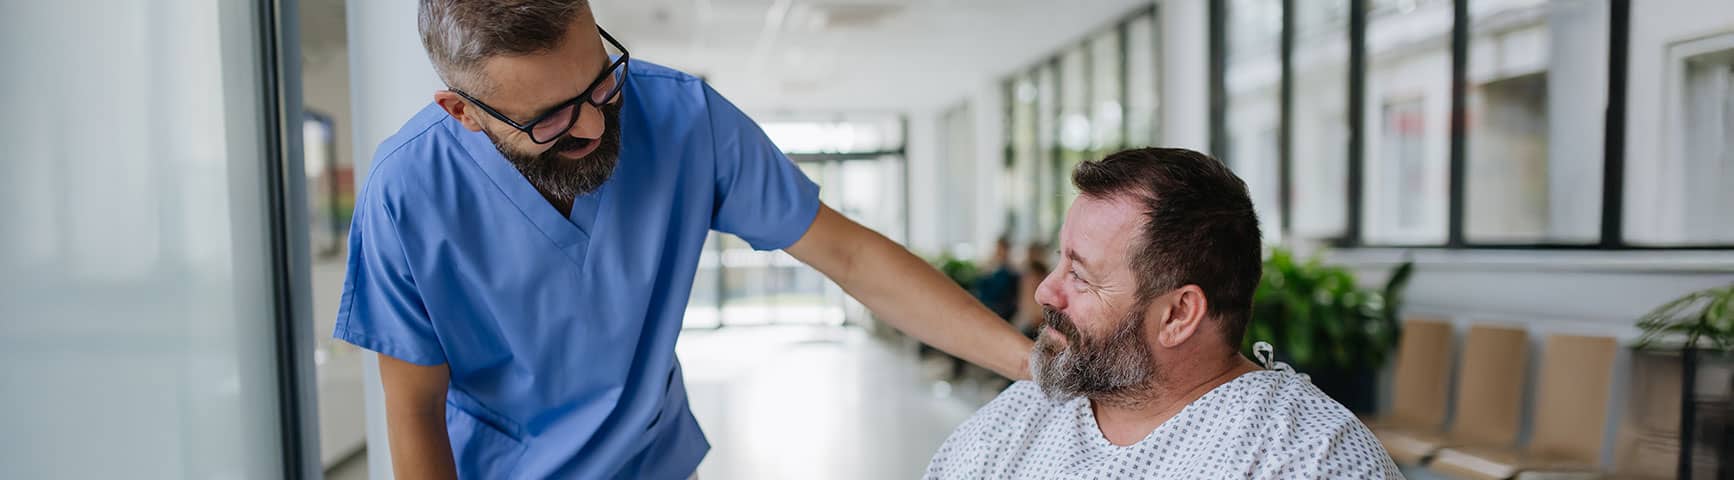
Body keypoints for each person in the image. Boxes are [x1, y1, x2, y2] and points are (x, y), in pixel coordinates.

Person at [334, 1, 1033, 478]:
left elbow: (851, 255)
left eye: (600, 81)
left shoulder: (682, 116)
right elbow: (415, 407)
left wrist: (1032, 364)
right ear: (463, 113)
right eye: (550, 119)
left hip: (656, 461)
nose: (595, 126)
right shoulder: (407, 195)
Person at [925, 148, 1401, 479]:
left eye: (1081, 274)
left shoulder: (1308, 457)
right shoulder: (1026, 415)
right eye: (1059, 259)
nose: (1047, 291)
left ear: (1178, 314)